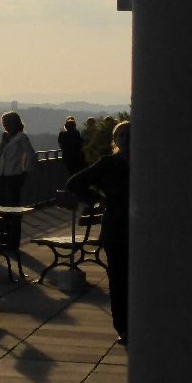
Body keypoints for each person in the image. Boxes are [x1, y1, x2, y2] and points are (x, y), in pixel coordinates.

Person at [67, 120, 130, 345]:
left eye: (129, 134)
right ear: (115, 140)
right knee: (119, 279)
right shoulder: (108, 164)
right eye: (121, 134)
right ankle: (124, 327)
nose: (125, 138)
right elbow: (75, 182)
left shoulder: (145, 163)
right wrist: (98, 199)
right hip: (116, 228)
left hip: (137, 227)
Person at [0, 111, 36, 245]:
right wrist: (2, 142)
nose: (5, 127)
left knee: (12, 209)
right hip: (3, 176)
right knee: (2, 207)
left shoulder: (21, 137)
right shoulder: (8, 138)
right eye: (4, 124)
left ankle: (12, 240)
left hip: (13, 176)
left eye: (7, 124)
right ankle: (4, 237)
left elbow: (31, 155)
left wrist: (25, 172)